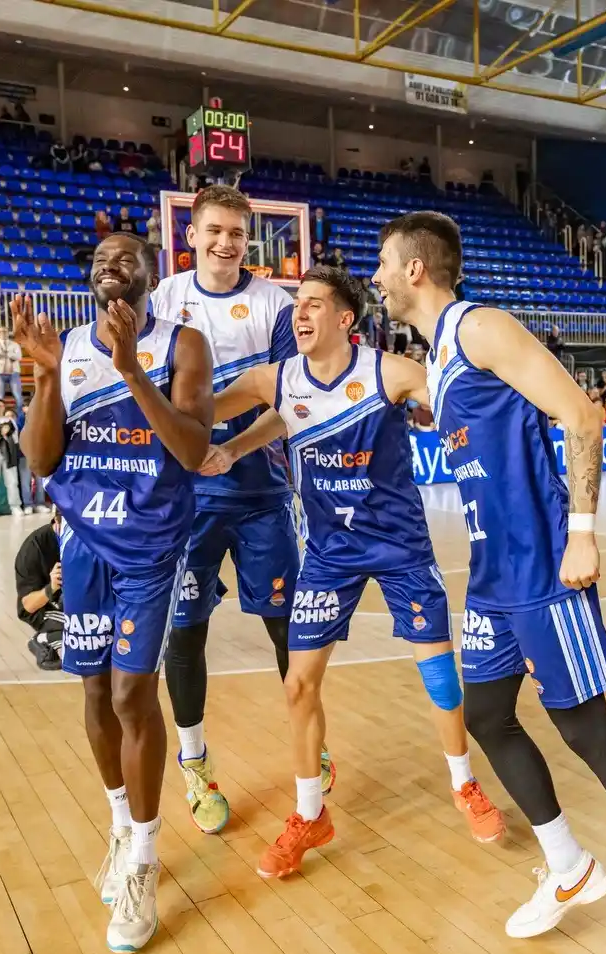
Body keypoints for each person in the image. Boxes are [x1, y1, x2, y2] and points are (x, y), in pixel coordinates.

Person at [373, 211, 606, 951]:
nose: (376, 277)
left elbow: (581, 417)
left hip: (542, 567)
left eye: (383, 264)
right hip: (493, 576)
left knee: (585, 727)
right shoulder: (440, 358)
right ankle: (569, 866)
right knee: (487, 715)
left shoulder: (480, 328)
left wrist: (582, 532)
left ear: (414, 270)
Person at [205, 265, 504, 877]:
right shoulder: (275, 378)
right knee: (298, 684)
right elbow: (207, 411)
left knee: (438, 676)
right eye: (297, 305)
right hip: (329, 552)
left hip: (399, 546)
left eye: (314, 304)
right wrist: (225, 443)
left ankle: (464, 784)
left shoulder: (390, 372)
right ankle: (309, 814)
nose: (300, 313)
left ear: (346, 319)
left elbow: (464, 404)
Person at [14, 232, 214, 952]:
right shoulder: (67, 347)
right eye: (100, 260)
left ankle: (145, 861)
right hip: (84, 544)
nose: (109, 265)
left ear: (151, 277)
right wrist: (44, 378)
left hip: (151, 547)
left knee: (133, 696)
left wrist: (131, 370)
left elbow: (192, 450)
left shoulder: (183, 345)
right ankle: (122, 826)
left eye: (125, 258)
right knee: (96, 693)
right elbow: (42, 458)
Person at [149, 184, 313, 834]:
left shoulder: (275, 304)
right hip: (185, 501)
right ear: (190, 235)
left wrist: (233, 448)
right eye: (214, 230)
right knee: (185, 633)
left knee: (287, 630)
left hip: (261, 495)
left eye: (237, 234)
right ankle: (195, 763)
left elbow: (294, 400)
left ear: (250, 239)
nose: (226, 243)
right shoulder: (164, 300)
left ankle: (309, 745)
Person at [15, 507, 65, 671]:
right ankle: (44, 638)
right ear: (56, 521)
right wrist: (51, 587)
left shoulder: (88, 538)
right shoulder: (33, 548)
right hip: (45, 607)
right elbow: (27, 606)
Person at [0, 325, 24, 404]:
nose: (2, 333)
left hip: (13, 372)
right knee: (0, 397)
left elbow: (19, 357)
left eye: (5, 331)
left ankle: (19, 412)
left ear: (8, 333)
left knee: (18, 395)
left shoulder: (15, 344)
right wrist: (0, 354)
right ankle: (0, 411)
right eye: (0, 332)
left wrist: (8, 353)